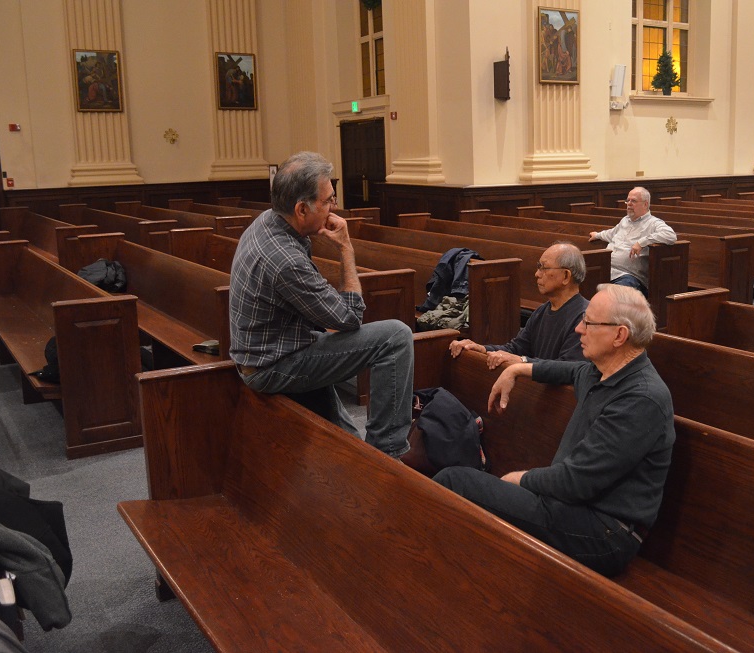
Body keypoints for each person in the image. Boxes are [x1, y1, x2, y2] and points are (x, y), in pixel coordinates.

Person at [434, 284, 675, 577]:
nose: (578, 329)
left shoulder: (641, 399)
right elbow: (567, 370)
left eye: (589, 323)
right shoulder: (601, 371)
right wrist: (517, 367)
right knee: (463, 486)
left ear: (619, 335)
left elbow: (577, 481)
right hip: (572, 506)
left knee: (454, 482)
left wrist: (519, 479)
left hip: (605, 531)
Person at [229, 151, 414, 459]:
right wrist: (346, 248)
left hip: (268, 350)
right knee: (396, 337)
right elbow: (349, 318)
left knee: (348, 439)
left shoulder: (268, 221)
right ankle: (389, 454)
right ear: (302, 209)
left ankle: (363, 456)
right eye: (328, 201)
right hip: (273, 365)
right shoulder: (284, 259)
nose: (335, 207)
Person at [449, 243, 588, 369]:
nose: (537, 274)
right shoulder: (542, 311)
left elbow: (568, 367)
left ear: (566, 276)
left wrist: (523, 361)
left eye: (543, 268)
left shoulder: (584, 317)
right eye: (538, 267)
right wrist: (482, 349)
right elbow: (516, 348)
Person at [588, 187, 677, 297]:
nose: (629, 204)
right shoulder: (625, 220)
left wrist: (641, 242)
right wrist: (597, 235)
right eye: (628, 200)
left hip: (629, 276)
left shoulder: (653, 223)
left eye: (633, 201)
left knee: (615, 295)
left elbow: (670, 235)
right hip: (608, 270)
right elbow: (612, 233)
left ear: (645, 204)